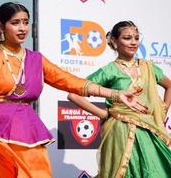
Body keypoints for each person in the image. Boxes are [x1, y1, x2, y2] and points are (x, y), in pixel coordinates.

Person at [0, 4, 145, 178]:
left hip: (26, 126)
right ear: (1, 26)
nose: (22, 28)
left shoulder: (36, 60)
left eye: (25, 22)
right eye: (15, 23)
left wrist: (116, 94)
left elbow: (71, 82)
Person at [68, 21, 171, 178]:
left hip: (149, 130)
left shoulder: (148, 67)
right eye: (127, 38)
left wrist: (161, 112)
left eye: (136, 38)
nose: (133, 42)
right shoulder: (109, 70)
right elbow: (73, 94)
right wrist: (102, 114)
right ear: (115, 42)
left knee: (156, 171)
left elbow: (169, 86)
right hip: (120, 130)